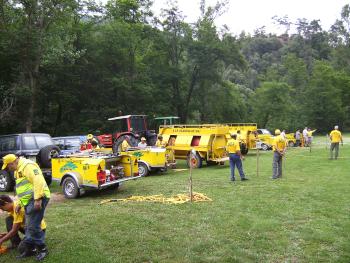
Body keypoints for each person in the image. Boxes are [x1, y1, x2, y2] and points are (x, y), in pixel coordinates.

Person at [1, 154, 50, 260]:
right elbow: (21, 189)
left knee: (33, 225)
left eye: (8, 166)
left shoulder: (27, 165)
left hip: (37, 198)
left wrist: (37, 199)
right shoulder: (17, 170)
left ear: (12, 162)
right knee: (29, 225)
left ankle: (42, 249)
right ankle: (30, 250)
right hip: (28, 201)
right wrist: (19, 204)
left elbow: (38, 181)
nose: (8, 169)